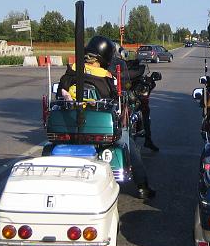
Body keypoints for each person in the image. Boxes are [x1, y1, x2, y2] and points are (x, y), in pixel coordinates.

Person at [60, 36, 156, 199]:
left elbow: (59, 94)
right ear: (104, 56)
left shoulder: (70, 72)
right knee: (129, 144)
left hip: (70, 124)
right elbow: (114, 99)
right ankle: (143, 186)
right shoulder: (105, 77)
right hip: (98, 126)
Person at [109, 42, 160, 152]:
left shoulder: (107, 64)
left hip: (112, 95)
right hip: (119, 95)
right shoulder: (113, 65)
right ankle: (147, 139)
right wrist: (140, 69)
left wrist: (136, 62)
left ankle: (146, 139)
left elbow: (127, 66)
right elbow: (129, 72)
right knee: (144, 108)